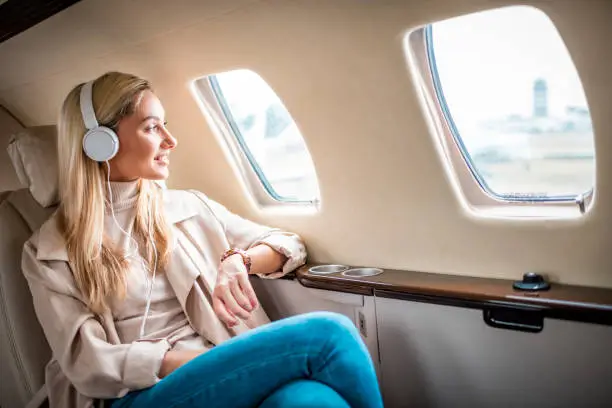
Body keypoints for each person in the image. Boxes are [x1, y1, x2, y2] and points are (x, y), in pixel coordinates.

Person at [21, 71, 383, 408]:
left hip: (217, 369)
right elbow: (88, 362)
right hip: (136, 393)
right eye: (152, 128)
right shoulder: (49, 251)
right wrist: (217, 362)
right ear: (102, 143)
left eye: (166, 125)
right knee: (328, 335)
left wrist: (236, 261)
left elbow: (286, 243)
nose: (170, 140)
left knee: (309, 398)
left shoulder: (188, 207)